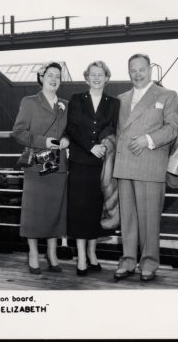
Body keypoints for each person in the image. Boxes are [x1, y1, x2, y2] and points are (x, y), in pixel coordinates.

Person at [113, 54, 178, 282]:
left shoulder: (167, 95)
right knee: (128, 219)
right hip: (124, 164)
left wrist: (148, 139)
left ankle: (149, 263)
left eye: (142, 69)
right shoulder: (120, 99)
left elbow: (173, 129)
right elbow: (114, 131)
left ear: (150, 70)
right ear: (128, 72)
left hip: (150, 162)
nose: (138, 74)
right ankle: (128, 261)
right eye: (133, 70)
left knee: (150, 219)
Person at [12, 62, 70, 274]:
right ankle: (33, 253)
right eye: (50, 75)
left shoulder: (66, 104)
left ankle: (52, 254)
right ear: (41, 78)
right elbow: (18, 132)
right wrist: (44, 142)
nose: (54, 79)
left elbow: (70, 131)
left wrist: (66, 139)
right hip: (37, 163)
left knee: (55, 211)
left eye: (58, 76)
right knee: (34, 212)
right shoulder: (29, 102)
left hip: (58, 164)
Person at [66, 61, 120, 276]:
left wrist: (103, 145)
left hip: (102, 163)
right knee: (80, 210)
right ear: (86, 78)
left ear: (107, 78)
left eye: (101, 74)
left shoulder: (114, 103)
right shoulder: (77, 99)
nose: (97, 78)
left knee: (96, 210)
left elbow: (112, 128)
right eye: (92, 74)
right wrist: (91, 146)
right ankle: (81, 257)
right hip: (80, 161)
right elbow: (71, 128)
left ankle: (92, 254)